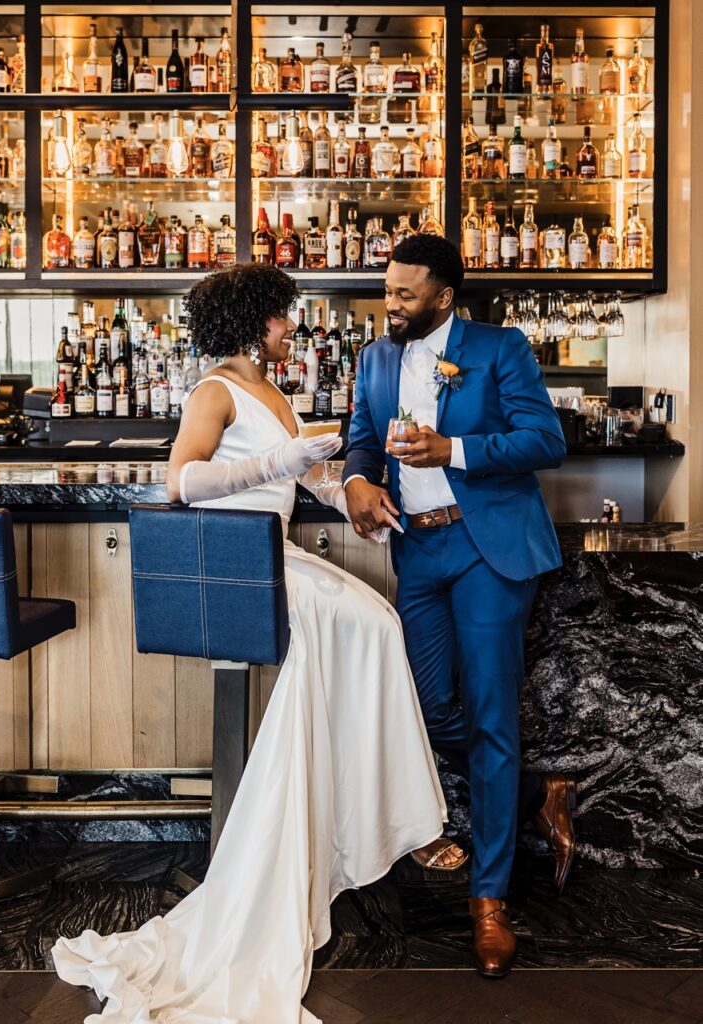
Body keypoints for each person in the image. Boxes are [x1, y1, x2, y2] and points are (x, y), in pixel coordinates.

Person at [51, 263, 452, 1024]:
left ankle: (371, 813)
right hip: (241, 560)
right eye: (280, 316)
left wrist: (345, 490)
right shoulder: (215, 390)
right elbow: (181, 482)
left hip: (279, 551)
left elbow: (299, 478)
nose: (290, 326)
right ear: (250, 318)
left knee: (376, 622)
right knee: (365, 624)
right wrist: (281, 460)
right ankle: (368, 820)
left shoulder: (271, 387)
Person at [343, 234, 577, 979]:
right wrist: (356, 484)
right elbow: (359, 440)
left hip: (488, 550)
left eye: (404, 295)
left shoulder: (498, 345)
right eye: (388, 290)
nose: (391, 304)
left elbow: (544, 439)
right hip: (417, 550)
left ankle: (489, 901)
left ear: (443, 297)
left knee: (489, 715)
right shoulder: (375, 357)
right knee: (430, 708)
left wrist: (455, 450)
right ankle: (540, 791)